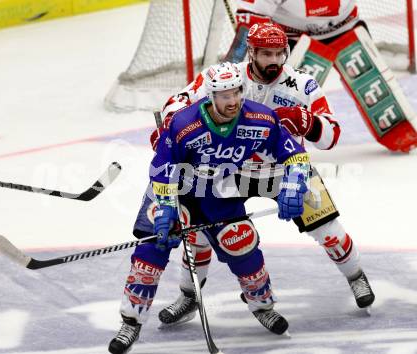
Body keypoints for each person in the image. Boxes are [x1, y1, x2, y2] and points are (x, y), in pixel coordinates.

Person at [153, 23, 375, 326]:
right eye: (266, 53)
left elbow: (331, 136)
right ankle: (189, 297)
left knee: (329, 229)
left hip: (288, 169)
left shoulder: (303, 85)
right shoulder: (224, 76)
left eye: (279, 53)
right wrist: (170, 126)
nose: (274, 60)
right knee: (199, 236)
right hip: (227, 169)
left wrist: (308, 121)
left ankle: (356, 276)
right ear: (252, 52)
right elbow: (176, 103)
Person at [108, 62, 311, 354]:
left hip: (219, 190)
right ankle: (131, 321)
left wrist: (293, 182)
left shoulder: (260, 117)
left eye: (236, 92)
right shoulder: (184, 123)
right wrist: (166, 208)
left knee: (241, 243)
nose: (233, 101)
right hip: (177, 190)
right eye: (224, 95)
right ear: (210, 97)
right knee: (152, 249)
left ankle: (262, 305)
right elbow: (162, 168)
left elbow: (294, 154)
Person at [227, 0, 417, 153]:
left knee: (390, 114)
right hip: (295, 37)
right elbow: (250, 25)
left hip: (347, 26)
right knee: (282, 101)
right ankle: (262, 146)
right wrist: (228, 75)